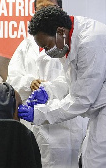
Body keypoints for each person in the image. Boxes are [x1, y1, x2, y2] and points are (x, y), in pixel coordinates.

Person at [18, 6, 106, 167]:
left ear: (60, 31)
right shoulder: (68, 38)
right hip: (103, 107)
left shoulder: (91, 43)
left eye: (46, 46)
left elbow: (81, 99)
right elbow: (70, 80)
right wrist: (48, 91)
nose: (46, 52)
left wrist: (39, 114)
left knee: (97, 163)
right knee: (88, 160)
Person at [7, 0, 88, 167]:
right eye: (40, 8)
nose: (44, 11)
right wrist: (29, 82)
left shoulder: (69, 42)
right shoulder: (26, 45)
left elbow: (73, 79)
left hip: (64, 123)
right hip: (34, 121)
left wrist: (49, 89)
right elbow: (12, 77)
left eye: (49, 7)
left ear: (59, 10)